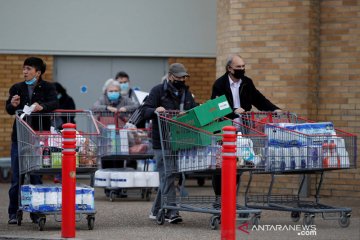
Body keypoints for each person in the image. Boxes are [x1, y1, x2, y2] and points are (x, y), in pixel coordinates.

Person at [211, 54, 281, 198]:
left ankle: (231, 197)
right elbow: (217, 106)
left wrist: (274, 109)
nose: (242, 69)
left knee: (239, 164)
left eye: (243, 66)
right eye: (238, 67)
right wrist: (233, 111)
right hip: (225, 129)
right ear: (229, 68)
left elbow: (258, 98)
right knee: (222, 165)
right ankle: (220, 197)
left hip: (243, 129)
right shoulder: (220, 84)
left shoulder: (247, 82)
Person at [5, 57, 59, 224]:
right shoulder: (17, 88)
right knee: (17, 178)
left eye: (28, 69)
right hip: (19, 139)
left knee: (36, 177)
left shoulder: (48, 87)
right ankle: (13, 213)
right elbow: (9, 109)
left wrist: (43, 107)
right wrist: (12, 104)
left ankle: (36, 213)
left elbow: (54, 103)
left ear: (38, 72)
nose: (25, 72)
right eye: (24, 69)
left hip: (39, 139)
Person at [143, 63, 197, 223]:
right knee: (168, 174)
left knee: (170, 174)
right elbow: (144, 110)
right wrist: (155, 110)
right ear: (170, 76)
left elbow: (193, 110)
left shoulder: (186, 93)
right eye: (178, 77)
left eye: (183, 77)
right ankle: (171, 211)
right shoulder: (157, 91)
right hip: (161, 140)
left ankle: (156, 210)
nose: (181, 79)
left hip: (178, 140)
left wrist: (188, 113)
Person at [53, 82, 76, 183]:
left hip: (66, 129)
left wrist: (61, 113)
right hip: (54, 128)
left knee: (67, 152)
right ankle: (58, 174)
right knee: (56, 151)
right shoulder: (51, 100)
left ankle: (67, 173)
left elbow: (72, 113)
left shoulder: (68, 99)